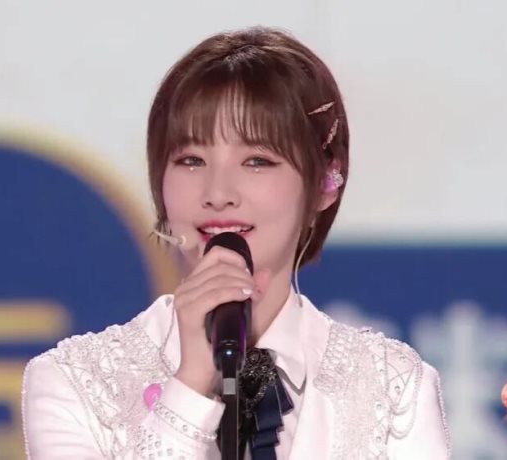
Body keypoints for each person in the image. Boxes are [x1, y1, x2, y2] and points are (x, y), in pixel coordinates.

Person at [22, 26, 451, 459]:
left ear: (326, 180)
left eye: (257, 161)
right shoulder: (73, 383)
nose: (218, 192)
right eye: (191, 160)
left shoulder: (392, 389)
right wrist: (192, 383)